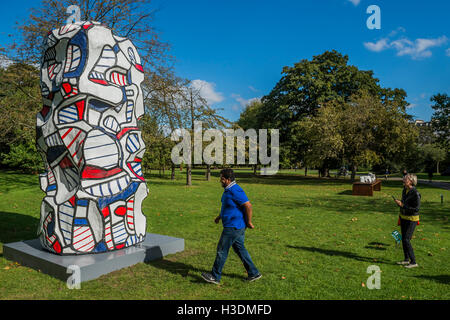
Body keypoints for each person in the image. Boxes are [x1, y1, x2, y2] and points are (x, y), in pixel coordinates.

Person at [201, 169, 262, 284]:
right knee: (240, 249)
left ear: (228, 180)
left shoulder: (235, 190)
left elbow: (248, 206)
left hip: (234, 226)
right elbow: (229, 206)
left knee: (222, 250)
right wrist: (219, 217)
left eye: (222, 179)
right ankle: (254, 273)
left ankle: (215, 276)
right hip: (234, 225)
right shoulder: (228, 190)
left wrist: (249, 222)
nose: (220, 180)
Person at [394, 173, 421, 268]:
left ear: (410, 181)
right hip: (403, 217)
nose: (403, 179)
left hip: (412, 219)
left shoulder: (415, 193)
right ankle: (406, 259)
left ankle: (413, 262)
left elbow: (416, 209)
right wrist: (399, 203)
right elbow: (403, 203)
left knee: (406, 239)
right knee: (403, 239)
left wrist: (402, 205)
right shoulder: (404, 190)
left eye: (405, 178)